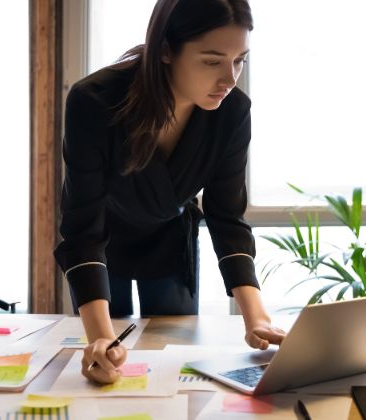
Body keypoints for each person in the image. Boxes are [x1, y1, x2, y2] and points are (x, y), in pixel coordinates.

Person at [54, 0, 286, 385]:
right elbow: (82, 230)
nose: (230, 79)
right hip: (101, 242)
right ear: (165, 49)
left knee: (173, 362)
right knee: (109, 355)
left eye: (239, 60)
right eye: (211, 61)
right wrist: (99, 339)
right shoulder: (93, 101)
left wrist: (257, 319)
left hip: (170, 237)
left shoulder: (232, 111)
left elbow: (227, 217)